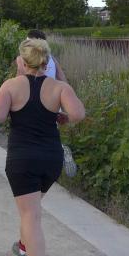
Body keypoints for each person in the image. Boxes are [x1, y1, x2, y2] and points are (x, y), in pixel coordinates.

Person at [0, 38, 85, 256]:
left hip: (22, 159)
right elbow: (78, 114)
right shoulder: (59, 87)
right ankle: (23, 247)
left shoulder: (11, 85)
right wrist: (62, 116)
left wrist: (12, 102)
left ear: (22, 60)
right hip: (50, 159)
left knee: (30, 215)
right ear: (46, 61)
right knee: (32, 210)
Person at [15, 29, 76, 178]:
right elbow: (62, 78)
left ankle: (38, 164)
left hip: (32, 100)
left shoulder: (22, 59)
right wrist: (64, 99)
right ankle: (59, 152)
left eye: (28, 41)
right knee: (48, 133)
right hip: (53, 101)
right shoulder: (52, 58)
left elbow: (19, 80)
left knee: (30, 133)